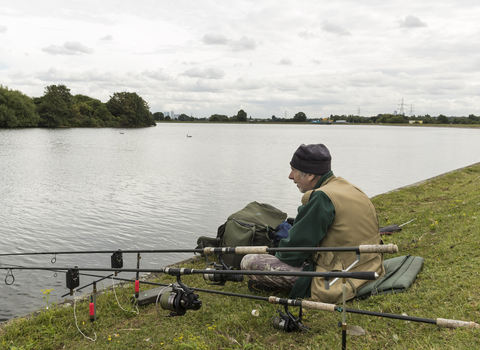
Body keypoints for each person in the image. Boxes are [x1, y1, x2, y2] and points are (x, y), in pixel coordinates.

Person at [241, 143, 385, 303]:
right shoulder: (349, 187)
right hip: (371, 266)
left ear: (309, 175)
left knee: (248, 261)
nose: (290, 176)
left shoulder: (321, 197)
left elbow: (291, 253)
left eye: (294, 171)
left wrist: (276, 252)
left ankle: (298, 287)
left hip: (338, 277)